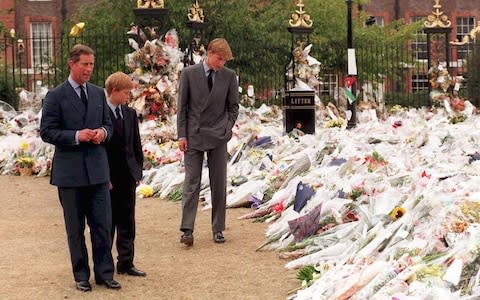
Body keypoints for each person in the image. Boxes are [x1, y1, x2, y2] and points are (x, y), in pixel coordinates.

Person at [40, 44, 120, 292]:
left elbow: (110, 125)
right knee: (75, 229)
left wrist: (101, 133)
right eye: (85, 64)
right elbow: (47, 132)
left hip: (97, 172)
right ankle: (81, 275)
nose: (89, 69)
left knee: (102, 226)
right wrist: (77, 135)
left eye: (91, 65)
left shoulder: (97, 94)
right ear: (71, 64)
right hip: (70, 174)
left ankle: (105, 274)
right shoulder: (56, 96)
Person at [176, 38, 239, 246]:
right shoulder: (188, 74)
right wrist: (182, 135)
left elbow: (233, 107)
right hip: (194, 134)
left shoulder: (229, 77)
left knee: (218, 182)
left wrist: (227, 127)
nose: (221, 64)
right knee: (191, 182)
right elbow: (182, 107)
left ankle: (218, 228)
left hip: (218, 135)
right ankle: (187, 229)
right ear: (209, 53)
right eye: (219, 59)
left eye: (224, 60)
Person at [104, 72, 146, 277]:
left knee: (127, 220)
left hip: (128, 174)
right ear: (114, 91)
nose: (128, 97)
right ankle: (106, 265)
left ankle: (126, 262)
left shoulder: (129, 114)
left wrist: (138, 168)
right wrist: (104, 177)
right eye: (126, 93)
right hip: (110, 176)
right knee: (108, 222)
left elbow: (135, 143)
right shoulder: (101, 113)